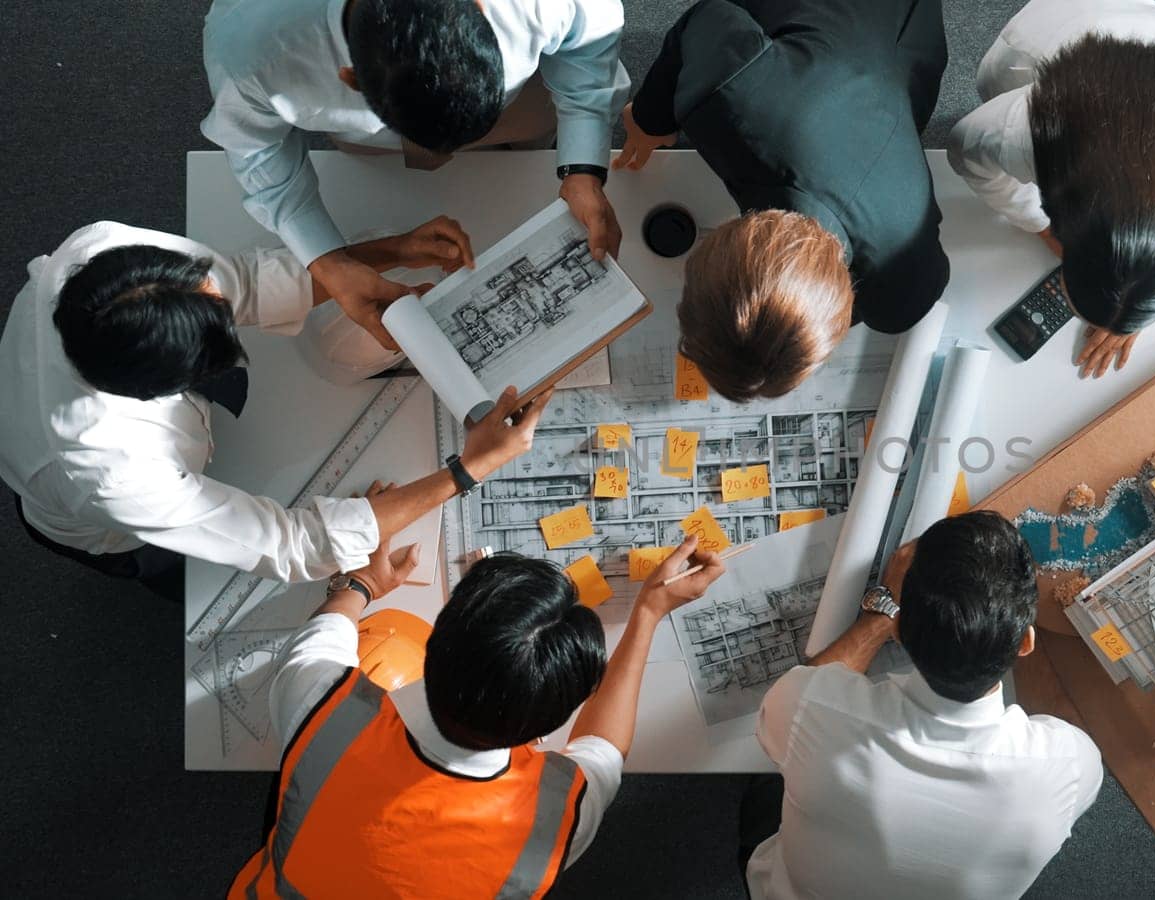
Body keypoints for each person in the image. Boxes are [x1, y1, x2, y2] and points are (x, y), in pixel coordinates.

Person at [0, 220, 547, 601]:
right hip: (106, 529)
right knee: (181, 581)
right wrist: (467, 469)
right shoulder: (109, 471)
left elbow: (245, 281)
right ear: (162, 389)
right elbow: (295, 545)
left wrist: (390, 251)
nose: (231, 311)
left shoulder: (101, 251)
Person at [230, 533, 726, 897]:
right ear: (547, 728)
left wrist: (361, 583)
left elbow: (324, 632)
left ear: (435, 638)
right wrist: (647, 612)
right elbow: (605, 750)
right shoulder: (554, 817)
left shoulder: (322, 705)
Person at [201, 0, 630, 350]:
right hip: (373, 139)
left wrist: (581, 170)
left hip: (521, 105)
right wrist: (328, 262)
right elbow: (258, 150)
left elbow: (589, 43)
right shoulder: (251, 47)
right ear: (350, 78)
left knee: (529, 138)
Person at [743, 511, 1102, 900]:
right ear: (1026, 644)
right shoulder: (1068, 765)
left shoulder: (809, 710)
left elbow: (805, 693)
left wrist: (882, 612)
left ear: (898, 630)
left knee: (772, 775)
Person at [616, 0, 950, 402]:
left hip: (898, 40)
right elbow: (707, 17)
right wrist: (650, 119)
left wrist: (802, 307)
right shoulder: (729, 93)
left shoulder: (903, 296)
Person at [946, 0, 1155, 378]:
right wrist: (1039, 226)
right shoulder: (1029, 135)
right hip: (1067, 26)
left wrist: (1138, 308)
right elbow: (965, 152)